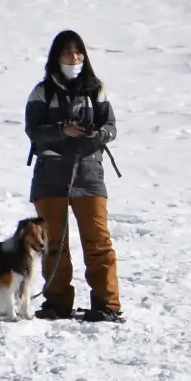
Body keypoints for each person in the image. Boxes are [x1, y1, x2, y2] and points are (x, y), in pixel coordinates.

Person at [25, 30, 123, 323]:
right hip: (50, 176)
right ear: (57, 56)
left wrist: (96, 135)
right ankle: (57, 303)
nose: (74, 57)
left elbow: (111, 127)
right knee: (53, 244)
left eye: (78, 51)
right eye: (67, 52)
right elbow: (33, 131)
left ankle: (107, 304)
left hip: (89, 174)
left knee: (98, 242)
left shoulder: (96, 90)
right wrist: (62, 131)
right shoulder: (42, 92)